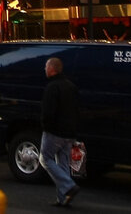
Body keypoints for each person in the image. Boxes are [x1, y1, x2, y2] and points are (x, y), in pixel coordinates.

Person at [41, 56, 79, 207]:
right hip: (69, 133)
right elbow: (76, 109)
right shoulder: (70, 86)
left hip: (54, 131)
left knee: (45, 159)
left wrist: (45, 126)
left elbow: (48, 112)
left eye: (46, 66)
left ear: (51, 69)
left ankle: (69, 185)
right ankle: (63, 198)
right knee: (63, 164)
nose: (44, 69)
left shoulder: (52, 87)